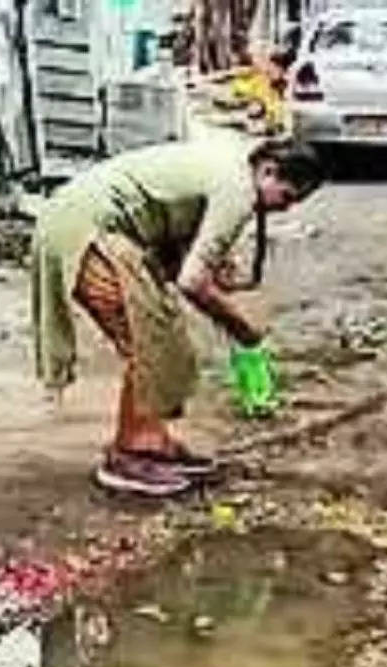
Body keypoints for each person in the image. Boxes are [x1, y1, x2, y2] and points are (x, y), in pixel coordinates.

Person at [30, 138, 324, 496]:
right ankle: (130, 454)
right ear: (268, 171)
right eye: (287, 197)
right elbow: (192, 281)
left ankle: (153, 441)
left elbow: (180, 239)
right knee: (149, 338)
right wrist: (243, 330)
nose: (285, 209)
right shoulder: (238, 190)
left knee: (165, 334)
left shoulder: (232, 168)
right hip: (86, 227)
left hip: (87, 221)